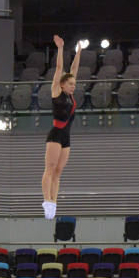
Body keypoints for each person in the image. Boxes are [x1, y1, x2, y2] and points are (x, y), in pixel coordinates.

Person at [42, 36, 82, 220]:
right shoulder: (56, 92)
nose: (74, 86)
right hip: (55, 135)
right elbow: (60, 69)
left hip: (66, 137)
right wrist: (60, 49)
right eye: (71, 84)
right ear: (62, 84)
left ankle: (54, 202)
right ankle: (47, 200)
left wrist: (79, 52)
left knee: (58, 171)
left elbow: (73, 69)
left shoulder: (71, 95)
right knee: (50, 169)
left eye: (74, 84)